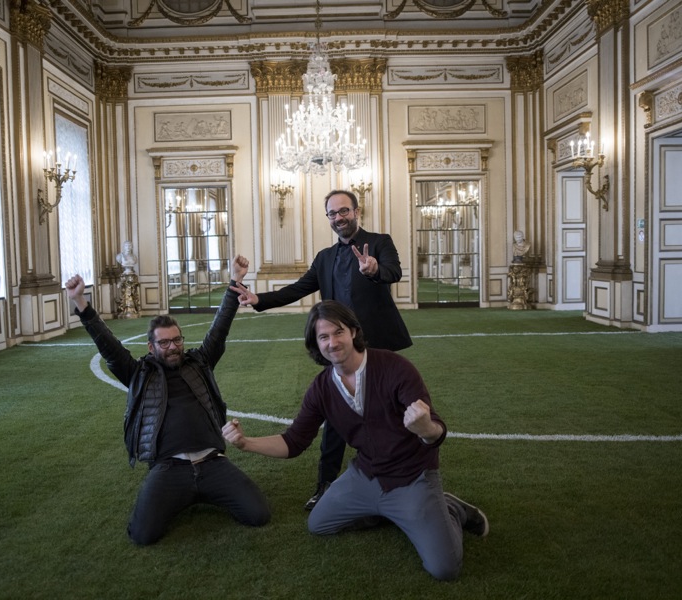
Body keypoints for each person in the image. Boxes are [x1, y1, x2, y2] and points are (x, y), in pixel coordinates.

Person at [222, 301, 488, 581]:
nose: (332, 342)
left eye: (338, 332)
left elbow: (436, 432)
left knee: (444, 569)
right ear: (316, 344)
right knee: (318, 523)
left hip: (412, 476)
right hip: (366, 475)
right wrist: (246, 443)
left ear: (353, 332)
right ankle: (393, 511)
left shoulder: (395, 367)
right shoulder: (321, 388)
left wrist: (425, 429)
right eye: (323, 337)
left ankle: (452, 509)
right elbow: (294, 442)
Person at [65, 255, 270, 545]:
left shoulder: (200, 362)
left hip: (212, 462)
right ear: (151, 347)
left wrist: (235, 279)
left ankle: (200, 492)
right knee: (143, 535)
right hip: (169, 468)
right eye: (164, 342)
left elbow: (220, 326)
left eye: (177, 340)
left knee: (258, 514)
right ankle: (185, 495)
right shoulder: (138, 373)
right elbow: (108, 347)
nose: (172, 347)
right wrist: (80, 302)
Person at [231, 189, 411, 510]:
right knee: (336, 418)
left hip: (377, 346)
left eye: (344, 211)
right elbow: (298, 288)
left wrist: (374, 270)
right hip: (339, 349)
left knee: (388, 415)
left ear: (356, 212)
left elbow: (393, 272)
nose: (339, 217)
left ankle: (400, 479)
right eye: (332, 213)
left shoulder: (379, 242)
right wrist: (259, 299)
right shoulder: (325, 257)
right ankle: (325, 485)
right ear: (328, 217)